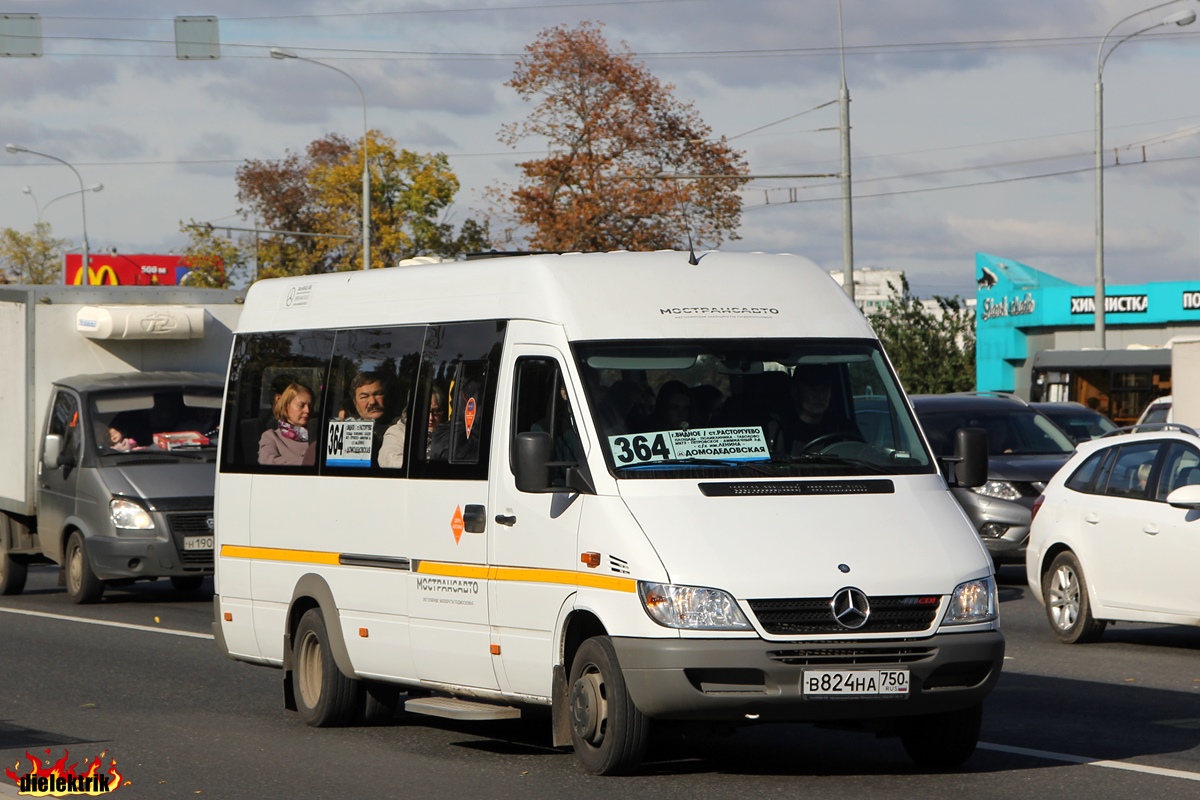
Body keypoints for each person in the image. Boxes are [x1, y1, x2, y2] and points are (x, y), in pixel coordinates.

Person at [775, 363, 849, 455]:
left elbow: (862, 456)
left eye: (825, 387)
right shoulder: (778, 430)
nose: (820, 395)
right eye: (812, 387)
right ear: (795, 391)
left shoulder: (844, 429)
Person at [345, 371, 406, 469]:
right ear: (355, 402)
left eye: (378, 394)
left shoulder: (403, 429)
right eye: (364, 397)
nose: (372, 402)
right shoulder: (345, 432)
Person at [258, 382, 314, 465]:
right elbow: (267, 461)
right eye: (301, 405)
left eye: (310, 406)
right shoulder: (271, 436)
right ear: (286, 406)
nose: (307, 410)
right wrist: (308, 462)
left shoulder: (318, 435)